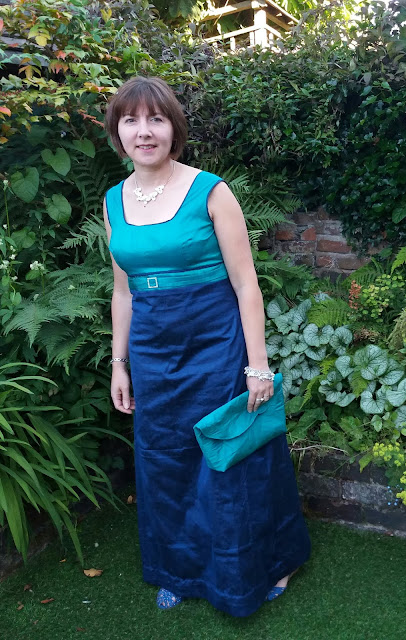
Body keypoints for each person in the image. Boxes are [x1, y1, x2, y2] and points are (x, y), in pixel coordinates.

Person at [103, 76, 311, 617]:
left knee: (233, 456)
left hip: (215, 344)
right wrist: (120, 363)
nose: (144, 132)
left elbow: (246, 284)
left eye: (155, 119)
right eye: (131, 121)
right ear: (118, 132)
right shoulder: (113, 200)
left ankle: (270, 563)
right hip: (153, 353)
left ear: (173, 128)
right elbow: (123, 290)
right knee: (165, 461)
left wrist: (257, 365)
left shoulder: (211, 191)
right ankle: (181, 569)